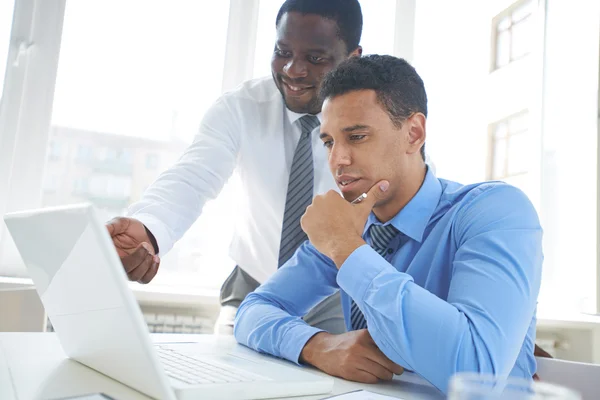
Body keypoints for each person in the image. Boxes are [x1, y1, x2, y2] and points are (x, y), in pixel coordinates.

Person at [234, 55, 543, 393]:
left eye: (357, 137)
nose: (337, 160)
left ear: (414, 133)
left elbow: (477, 372)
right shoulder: (352, 226)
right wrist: (316, 346)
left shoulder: (494, 212)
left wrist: (348, 250)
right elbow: (254, 309)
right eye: (328, 142)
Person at [105, 0, 364, 334]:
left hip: (336, 291)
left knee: (337, 384)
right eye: (282, 51)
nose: (292, 70)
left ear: (351, 58)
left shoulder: (375, 121)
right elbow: (193, 177)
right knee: (225, 374)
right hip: (253, 286)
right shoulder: (241, 107)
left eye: (315, 59)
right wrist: (149, 229)